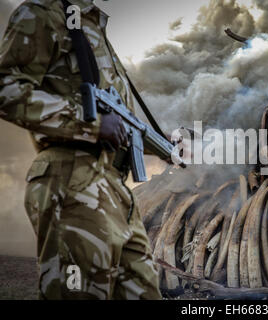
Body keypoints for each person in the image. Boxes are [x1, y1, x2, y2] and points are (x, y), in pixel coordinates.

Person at [0, 0, 162, 299]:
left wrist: (168, 149)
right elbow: (5, 88)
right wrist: (90, 123)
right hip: (72, 181)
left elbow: (125, 127)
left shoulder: (93, 26)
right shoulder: (43, 13)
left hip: (115, 187)